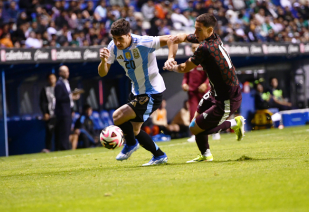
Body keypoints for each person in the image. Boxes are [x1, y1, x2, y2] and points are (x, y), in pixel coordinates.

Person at [165, 13, 245, 163]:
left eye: (198, 30)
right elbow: (184, 36)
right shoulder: (212, 37)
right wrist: (176, 38)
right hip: (214, 92)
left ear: (209, 31)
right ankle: (206, 154)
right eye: (195, 29)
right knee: (196, 122)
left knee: (195, 129)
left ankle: (234, 123)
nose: (195, 34)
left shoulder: (205, 48)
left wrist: (171, 66)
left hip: (227, 98)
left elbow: (184, 68)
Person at [98, 18, 177, 166]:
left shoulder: (144, 42)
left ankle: (130, 144)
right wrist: (103, 61)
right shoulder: (113, 47)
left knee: (117, 116)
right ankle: (159, 155)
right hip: (137, 91)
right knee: (135, 129)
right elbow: (103, 73)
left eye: (120, 39)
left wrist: (170, 58)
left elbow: (172, 39)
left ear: (129, 35)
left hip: (151, 92)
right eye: (114, 39)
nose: (117, 43)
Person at [182, 43, 221, 142]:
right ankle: (195, 134)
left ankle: (215, 132)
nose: (194, 49)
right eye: (193, 48)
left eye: (196, 47)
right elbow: (185, 77)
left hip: (204, 92)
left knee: (209, 113)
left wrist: (206, 84)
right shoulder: (189, 62)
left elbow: (210, 75)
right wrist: (184, 84)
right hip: (192, 93)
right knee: (193, 113)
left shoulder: (205, 60)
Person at [54, 65, 80, 151]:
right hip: (62, 112)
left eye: (67, 71)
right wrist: (71, 97)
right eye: (64, 72)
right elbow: (59, 98)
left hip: (68, 111)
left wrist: (72, 109)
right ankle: (64, 148)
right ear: (60, 73)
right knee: (63, 132)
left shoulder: (66, 82)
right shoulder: (59, 84)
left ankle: (66, 147)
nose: (66, 73)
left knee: (67, 131)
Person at [39, 73, 57, 153]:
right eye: (50, 78)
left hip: (60, 114)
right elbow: (42, 102)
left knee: (60, 132)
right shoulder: (45, 89)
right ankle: (48, 148)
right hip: (50, 115)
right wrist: (45, 112)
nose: (51, 80)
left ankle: (60, 148)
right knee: (49, 132)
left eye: (53, 78)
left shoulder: (60, 87)